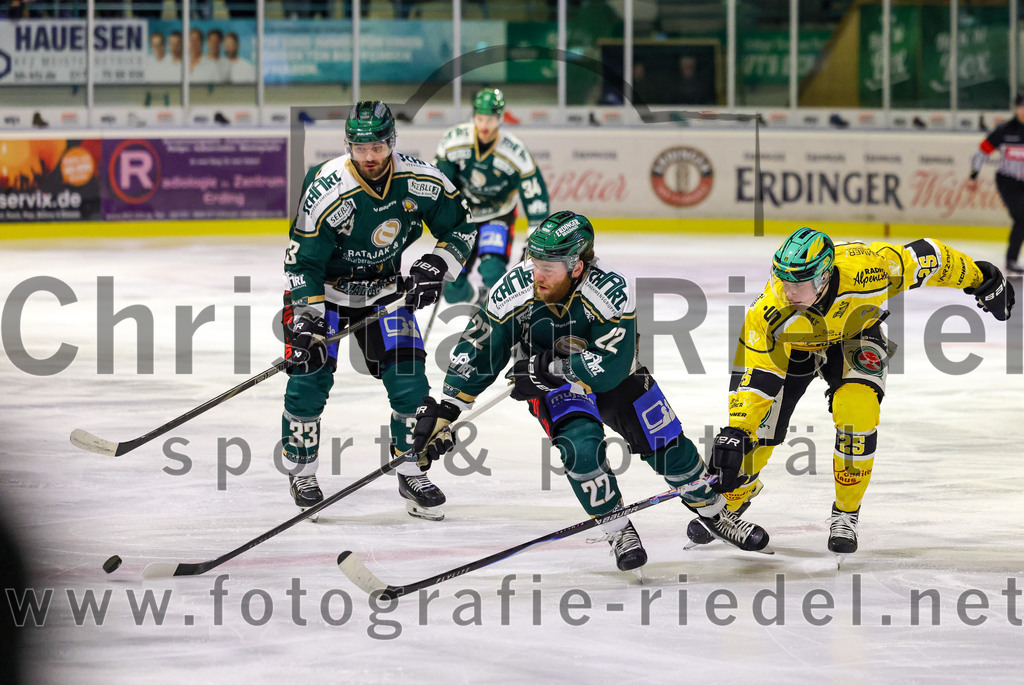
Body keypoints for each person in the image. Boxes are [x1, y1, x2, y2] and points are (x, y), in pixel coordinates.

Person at [410, 211, 771, 572]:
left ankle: (715, 513)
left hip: (609, 376)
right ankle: (618, 529)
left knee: (667, 443)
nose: (537, 275)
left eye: (548, 268)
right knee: (581, 451)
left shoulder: (611, 289)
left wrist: (552, 369)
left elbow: (613, 365)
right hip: (547, 386)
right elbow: (481, 349)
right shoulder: (514, 289)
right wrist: (448, 409)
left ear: (577, 267)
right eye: (535, 262)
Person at [688, 227, 1015, 558]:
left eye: (800, 283)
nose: (789, 291)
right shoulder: (768, 312)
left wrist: (981, 278)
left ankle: (846, 512)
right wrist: (738, 430)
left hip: (856, 335)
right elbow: (757, 376)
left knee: (857, 416)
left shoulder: (868, 271)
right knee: (758, 432)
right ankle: (735, 498)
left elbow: (929, 257)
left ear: (824, 276)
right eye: (784, 280)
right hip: (792, 349)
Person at [281, 101, 476, 521]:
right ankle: (303, 473)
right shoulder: (327, 188)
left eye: (378, 146)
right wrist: (308, 320)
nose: (369, 156)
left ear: (392, 142)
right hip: (324, 296)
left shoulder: (420, 180)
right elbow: (302, 263)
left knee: (410, 384)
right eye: (359, 147)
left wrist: (437, 264)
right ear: (348, 145)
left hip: (386, 294)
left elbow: (462, 225)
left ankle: (411, 470)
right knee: (308, 382)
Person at [433, 88, 551, 307]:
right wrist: (444, 221)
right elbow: (441, 185)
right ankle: (476, 299)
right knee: (453, 290)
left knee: (492, 270)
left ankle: (500, 313)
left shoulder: (515, 151)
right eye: (480, 118)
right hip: (465, 218)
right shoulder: (453, 141)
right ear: (473, 116)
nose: (484, 125)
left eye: (490, 119)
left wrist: (535, 238)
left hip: (498, 215)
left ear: (500, 118)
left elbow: (535, 195)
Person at [966, 92, 1024, 274]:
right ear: (1016, 109)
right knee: (1022, 216)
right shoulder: (1004, 130)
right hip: (1008, 182)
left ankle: (1012, 259)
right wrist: (973, 176)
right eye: (1022, 107)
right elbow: (982, 152)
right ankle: (1011, 260)